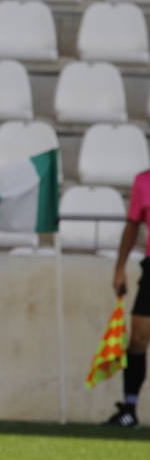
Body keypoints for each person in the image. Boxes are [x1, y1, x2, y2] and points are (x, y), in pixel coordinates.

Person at [106, 168, 150, 426]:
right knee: (138, 337)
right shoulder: (143, 181)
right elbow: (133, 225)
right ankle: (129, 408)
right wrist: (120, 268)